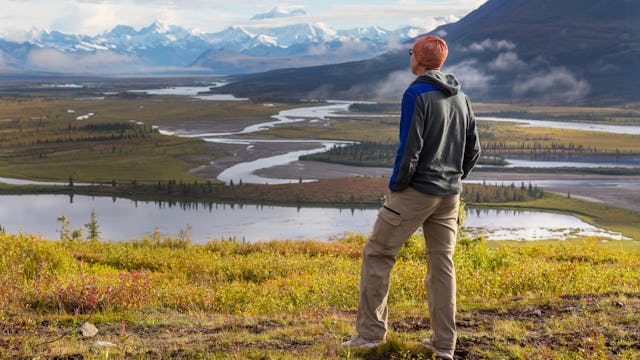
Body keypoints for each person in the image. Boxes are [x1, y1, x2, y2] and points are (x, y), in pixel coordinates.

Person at [340, 35, 481, 359]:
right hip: (449, 196)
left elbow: (409, 150)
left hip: (416, 192)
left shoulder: (415, 93)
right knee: (442, 265)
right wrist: (454, 178)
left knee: (378, 254)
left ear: (418, 59)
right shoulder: (462, 97)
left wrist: (397, 187)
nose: (410, 58)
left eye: (411, 53)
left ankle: (371, 335)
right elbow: (474, 150)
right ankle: (444, 345)